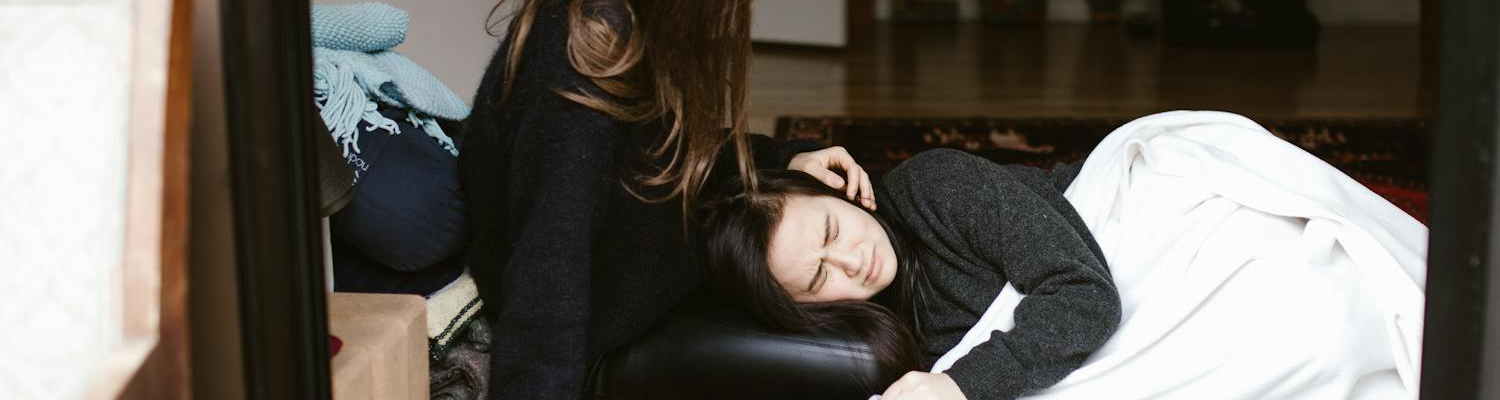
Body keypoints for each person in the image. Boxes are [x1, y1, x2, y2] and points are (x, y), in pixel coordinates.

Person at [699, 111, 1427, 400]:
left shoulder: (933, 186)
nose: (848, 264)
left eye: (831, 233)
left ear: (844, 191)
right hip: (1071, 305)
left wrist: (956, 388)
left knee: (1316, 321)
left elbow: (1084, 294)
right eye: (819, 278)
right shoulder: (876, 332)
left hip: (1121, 235)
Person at [458, 0, 878, 398]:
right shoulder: (582, 53)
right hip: (591, 305)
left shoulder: (644, 30)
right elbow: (548, 274)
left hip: (635, 246)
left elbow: (675, 150)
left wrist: (785, 159)